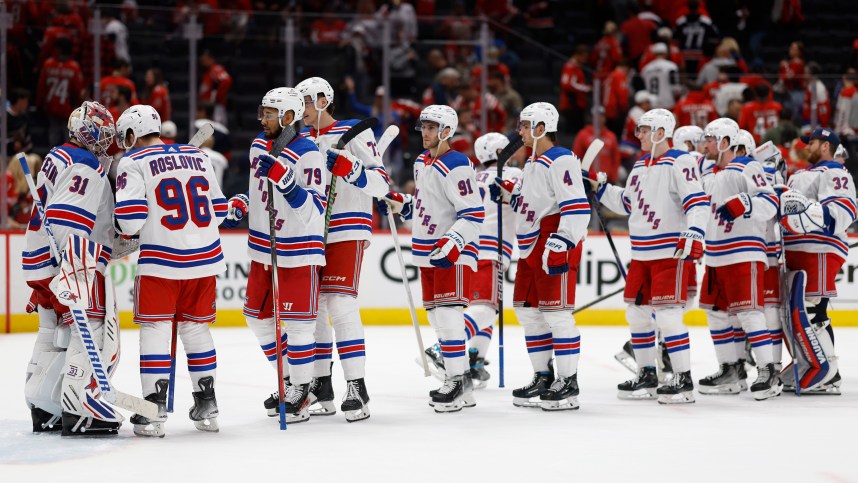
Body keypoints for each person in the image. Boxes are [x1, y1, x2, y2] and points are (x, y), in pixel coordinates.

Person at [114, 104, 228, 437]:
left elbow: (130, 220)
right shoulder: (199, 156)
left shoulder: (133, 162)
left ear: (133, 134)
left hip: (162, 260)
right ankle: (207, 403)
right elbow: (219, 210)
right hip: (205, 258)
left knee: (155, 332)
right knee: (196, 330)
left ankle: (152, 411)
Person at [587, 108, 709, 404]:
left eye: (643, 129)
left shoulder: (681, 161)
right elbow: (629, 203)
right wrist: (600, 189)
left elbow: (697, 201)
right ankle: (647, 374)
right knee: (637, 314)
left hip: (670, 251)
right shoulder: (641, 165)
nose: (637, 134)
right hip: (642, 252)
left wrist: (695, 232)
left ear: (659, 133)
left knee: (668, 316)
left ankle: (682, 379)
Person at [222, 87, 326, 423]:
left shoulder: (308, 152)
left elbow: (315, 212)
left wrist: (287, 183)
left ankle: (301, 389)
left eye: (269, 113)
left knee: (298, 326)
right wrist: (240, 204)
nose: (262, 119)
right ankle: (287, 380)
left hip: (297, 250)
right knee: (255, 315)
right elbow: (259, 193)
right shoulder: (258, 145)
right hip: (262, 247)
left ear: (289, 116)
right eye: (262, 112)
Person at [23, 101, 122, 435]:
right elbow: (67, 219)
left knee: (51, 333)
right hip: (72, 259)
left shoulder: (58, 156)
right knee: (94, 327)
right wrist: (72, 265)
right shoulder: (86, 164)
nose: (106, 141)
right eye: (103, 133)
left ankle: (43, 404)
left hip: (40, 258)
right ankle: (82, 403)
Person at [295, 76, 391, 422]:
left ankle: (357, 386)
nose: (300, 109)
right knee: (314, 308)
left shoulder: (354, 131)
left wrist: (351, 170)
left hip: (346, 225)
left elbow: (382, 183)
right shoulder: (300, 139)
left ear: (322, 100)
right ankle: (322, 384)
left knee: (340, 302)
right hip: (308, 231)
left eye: (304, 101)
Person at [378, 105, 485, 413]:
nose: (424, 133)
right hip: (426, 250)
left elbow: (473, 212)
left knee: (451, 316)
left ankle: (456, 379)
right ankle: (462, 385)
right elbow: (427, 205)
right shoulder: (423, 162)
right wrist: (402, 204)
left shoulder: (457, 163)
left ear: (447, 131)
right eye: (423, 127)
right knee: (438, 317)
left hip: (451, 251)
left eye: (431, 127)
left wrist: (454, 241)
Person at [494, 102, 589, 410]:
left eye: (524, 125)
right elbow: (535, 203)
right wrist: (511, 195)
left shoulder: (561, 159)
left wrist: (564, 241)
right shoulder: (533, 163)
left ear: (540, 128)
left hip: (553, 239)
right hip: (531, 243)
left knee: (558, 314)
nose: (518, 131)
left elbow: (576, 205)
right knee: (528, 311)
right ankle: (543, 376)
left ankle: (569, 381)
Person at [695, 122, 782, 399]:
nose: (705, 143)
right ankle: (731, 370)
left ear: (724, 141)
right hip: (715, 254)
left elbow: (770, 203)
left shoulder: (748, 167)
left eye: (709, 139)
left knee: (749, 313)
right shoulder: (709, 174)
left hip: (744, 252)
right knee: (716, 313)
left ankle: (769, 373)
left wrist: (745, 202)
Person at [779, 128, 856, 394]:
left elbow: (842, 211)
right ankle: (808, 362)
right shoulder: (800, 174)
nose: (805, 147)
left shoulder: (834, 172)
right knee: (794, 312)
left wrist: (807, 213)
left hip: (819, 248)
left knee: (812, 311)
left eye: (810, 142)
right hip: (796, 248)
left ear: (825, 146)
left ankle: (828, 373)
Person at [753, 141, 788, 373]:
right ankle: (771, 366)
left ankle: (768, 366)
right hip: (765, 251)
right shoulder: (769, 173)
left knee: (760, 313)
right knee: (767, 314)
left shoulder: (754, 172)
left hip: (758, 251)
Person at [37, 37, 83, 148]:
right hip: (67, 109)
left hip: (53, 107)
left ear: (59, 49)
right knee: (69, 139)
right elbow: (78, 91)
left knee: (54, 139)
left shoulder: (48, 64)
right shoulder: (74, 67)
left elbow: (41, 88)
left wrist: (40, 104)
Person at [559, 45, 591, 136]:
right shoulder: (570, 67)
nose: (585, 59)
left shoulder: (577, 67)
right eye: (584, 57)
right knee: (573, 132)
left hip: (578, 104)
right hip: (571, 105)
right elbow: (567, 84)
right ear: (578, 55)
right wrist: (586, 88)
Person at [199, 50, 233, 127]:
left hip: (216, 107)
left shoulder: (215, 69)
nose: (202, 62)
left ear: (211, 59)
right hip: (207, 108)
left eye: (205, 59)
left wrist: (217, 98)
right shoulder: (206, 72)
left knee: (217, 129)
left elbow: (226, 80)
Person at [641, 43, 680, 109]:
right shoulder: (671, 66)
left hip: (651, 104)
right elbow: (675, 88)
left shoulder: (646, 69)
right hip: (667, 102)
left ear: (654, 54)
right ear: (666, 53)